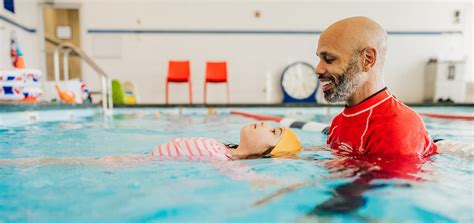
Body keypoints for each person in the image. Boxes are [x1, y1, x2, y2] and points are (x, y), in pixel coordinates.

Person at [315, 16, 437, 159]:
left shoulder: (396, 128)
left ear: (367, 59)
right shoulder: (338, 123)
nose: (318, 69)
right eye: (319, 59)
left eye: (329, 59)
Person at [0, 122, 302, 167]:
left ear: (267, 152)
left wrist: (265, 183)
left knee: (67, 163)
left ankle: (18, 162)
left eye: (274, 131)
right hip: (139, 158)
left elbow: (242, 178)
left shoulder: (228, 162)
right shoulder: (224, 148)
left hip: (134, 165)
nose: (264, 123)